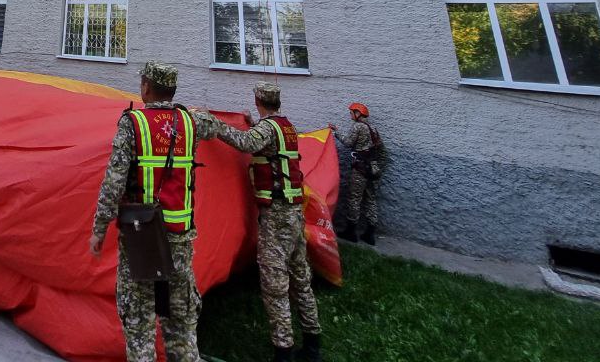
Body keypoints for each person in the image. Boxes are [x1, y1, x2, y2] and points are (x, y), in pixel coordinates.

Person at [90, 61, 222, 362]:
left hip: (143, 239)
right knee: (181, 327)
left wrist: (99, 229)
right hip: (180, 240)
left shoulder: (133, 123)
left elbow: (113, 183)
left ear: (146, 87)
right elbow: (217, 127)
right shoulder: (191, 121)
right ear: (172, 90)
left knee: (139, 324)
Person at [214, 83, 321, 362]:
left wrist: (213, 125)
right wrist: (253, 124)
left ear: (258, 100)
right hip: (294, 213)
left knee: (275, 286)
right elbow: (269, 146)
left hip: (277, 216)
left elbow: (245, 143)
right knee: (301, 279)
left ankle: (283, 352)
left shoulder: (267, 129)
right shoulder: (286, 126)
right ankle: (313, 345)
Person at [331, 101, 382, 245]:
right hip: (373, 169)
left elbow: (348, 142)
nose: (350, 115)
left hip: (360, 169)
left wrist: (336, 132)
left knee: (354, 199)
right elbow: (379, 147)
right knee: (370, 199)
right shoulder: (373, 128)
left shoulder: (358, 126)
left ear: (358, 113)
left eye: (351, 113)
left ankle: (350, 232)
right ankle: (370, 234)